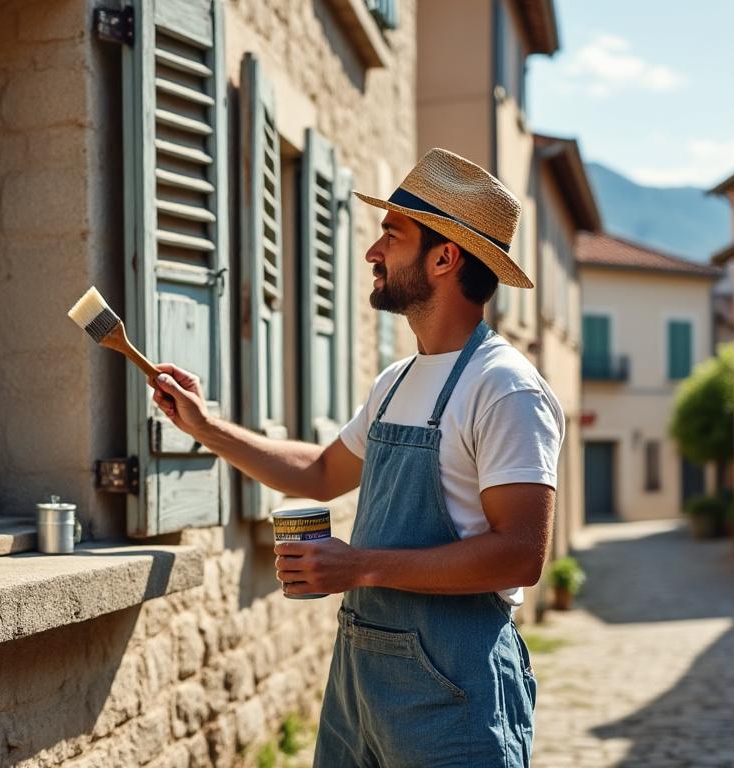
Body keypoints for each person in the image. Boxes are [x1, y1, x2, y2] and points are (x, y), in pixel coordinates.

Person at [149, 148, 562, 767]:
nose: (372, 253)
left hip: (454, 693)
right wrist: (206, 427)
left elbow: (521, 553)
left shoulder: (504, 387)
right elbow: (319, 473)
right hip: (358, 687)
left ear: (444, 257)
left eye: (391, 237)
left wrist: (359, 565)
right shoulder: (395, 381)